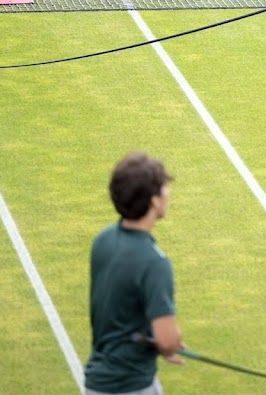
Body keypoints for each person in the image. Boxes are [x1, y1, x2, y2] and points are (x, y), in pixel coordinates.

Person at [84, 152, 185, 395]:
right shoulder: (155, 263)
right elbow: (168, 339)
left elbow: (119, 307)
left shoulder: (103, 240)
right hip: (131, 386)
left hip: (96, 383)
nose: (168, 193)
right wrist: (169, 344)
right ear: (154, 201)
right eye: (164, 188)